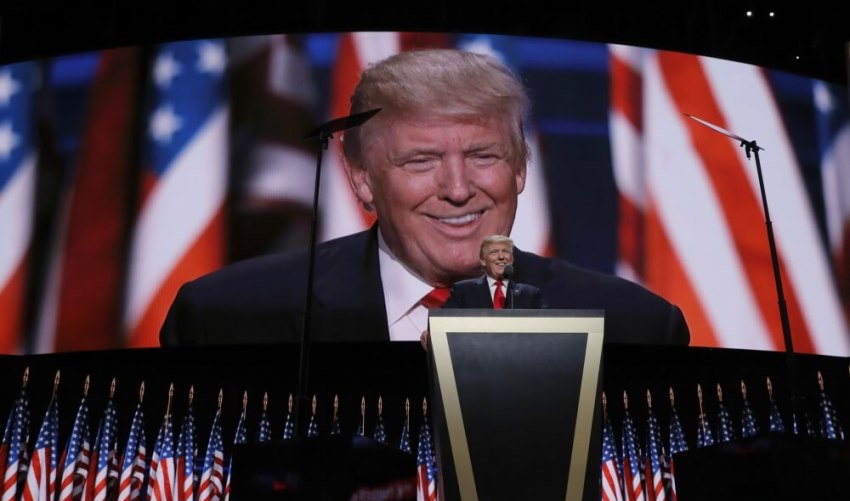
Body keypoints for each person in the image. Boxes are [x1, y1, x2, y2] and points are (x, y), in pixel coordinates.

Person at [160, 48, 690, 347]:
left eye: (484, 155)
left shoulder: (634, 330)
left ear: (522, 165)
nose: (459, 190)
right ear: (362, 177)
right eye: (421, 161)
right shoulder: (226, 321)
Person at [442, 235, 544, 309]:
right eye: (494, 252)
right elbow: (441, 321)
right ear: (483, 260)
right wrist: (430, 332)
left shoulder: (529, 294)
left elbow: (547, 326)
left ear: (512, 259)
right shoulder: (463, 291)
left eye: (505, 252)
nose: (501, 257)